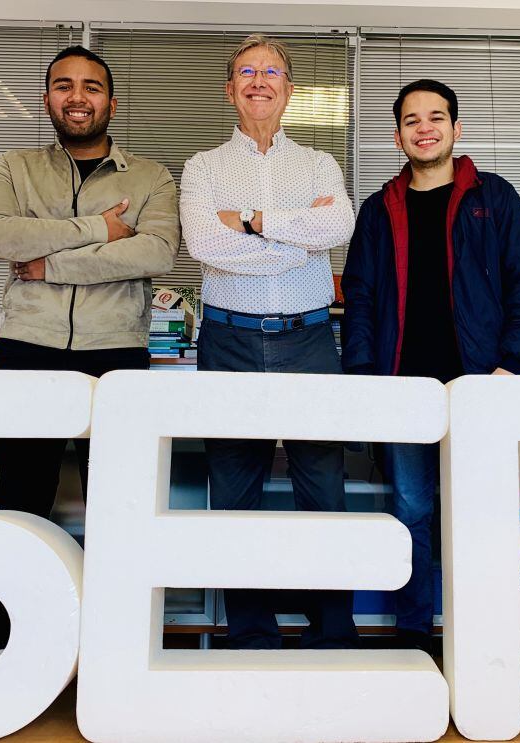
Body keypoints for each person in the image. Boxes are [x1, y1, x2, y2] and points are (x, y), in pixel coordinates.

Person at [0, 45, 180, 648]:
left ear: (111, 102)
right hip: (26, 347)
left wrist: (49, 265)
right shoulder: (15, 166)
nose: (77, 97)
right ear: (47, 99)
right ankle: (11, 641)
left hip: (114, 353)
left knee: (117, 502)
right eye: (64, 85)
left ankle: (113, 643)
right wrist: (98, 231)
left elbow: (154, 253)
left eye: (91, 87)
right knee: (20, 498)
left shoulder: (151, 177)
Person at [340, 78, 520, 652]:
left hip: (480, 385)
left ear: (456, 129)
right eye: (412, 120)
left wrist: (513, 364)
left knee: (480, 512)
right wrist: (363, 376)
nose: (424, 127)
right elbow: (358, 295)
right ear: (397, 134)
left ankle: (482, 635)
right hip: (404, 389)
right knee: (412, 509)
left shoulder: (494, 197)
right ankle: (416, 632)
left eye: (436, 117)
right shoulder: (380, 209)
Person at [179, 34, 357, 650]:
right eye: (246, 72)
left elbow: (337, 225)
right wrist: (293, 241)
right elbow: (205, 246)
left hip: (309, 342)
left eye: (272, 71)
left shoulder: (319, 164)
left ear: (289, 90)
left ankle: (332, 631)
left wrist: (253, 224)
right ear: (230, 90)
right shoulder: (203, 167)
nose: (259, 81)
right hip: (227, 343)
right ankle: (250, 634)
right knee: (233, 497)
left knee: (323, 491)